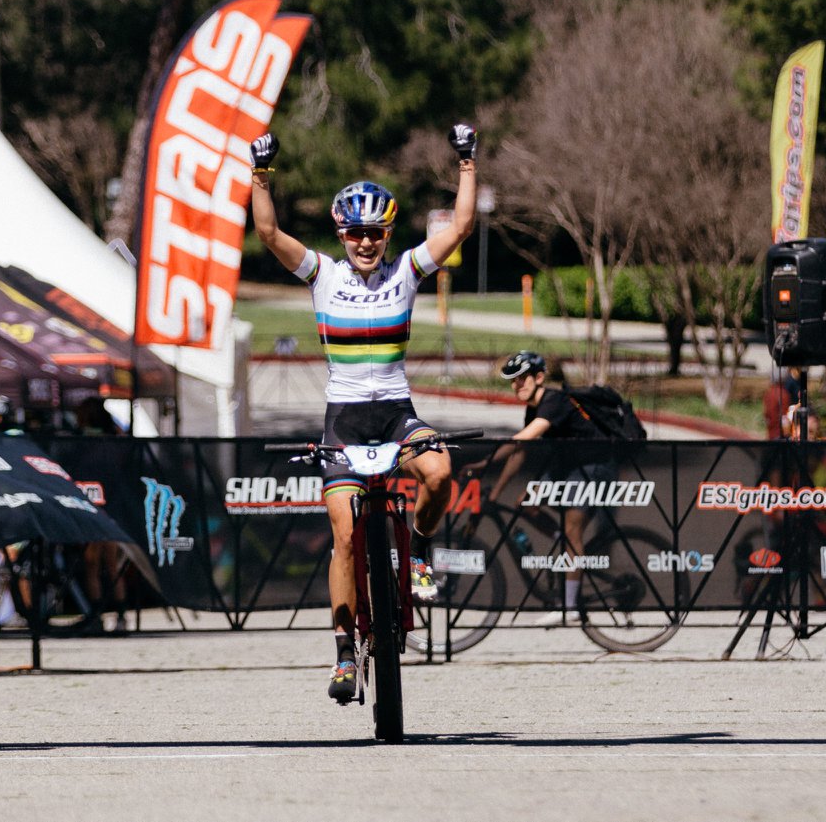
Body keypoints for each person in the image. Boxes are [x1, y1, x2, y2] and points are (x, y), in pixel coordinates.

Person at [248, 121, 477, 704]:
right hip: (344, 419)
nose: (366, 243)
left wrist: (467, 164)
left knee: (441, 473)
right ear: (341, 234)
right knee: (346, 536)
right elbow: (269, 231)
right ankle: (345, 651)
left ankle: (420, 551)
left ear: (389, 233)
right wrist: (261, 175)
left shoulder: (407, 271)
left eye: (376, 233)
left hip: (396, 412)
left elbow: (463, 225)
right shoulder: (323, 275)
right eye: (356, 233)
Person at [478, 350, 612, 621]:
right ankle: (565, 545)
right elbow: (520, 454)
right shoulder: (534, 407)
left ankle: (569, 607)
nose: (517, 386)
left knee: (573, 529)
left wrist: (483, 464)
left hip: (592, 465)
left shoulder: (554, 401)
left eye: (522, 379)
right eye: (513, 381)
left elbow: (523, 439)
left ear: (539, 378)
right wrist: (496, 491)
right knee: (525, 504)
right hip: (567, 466)